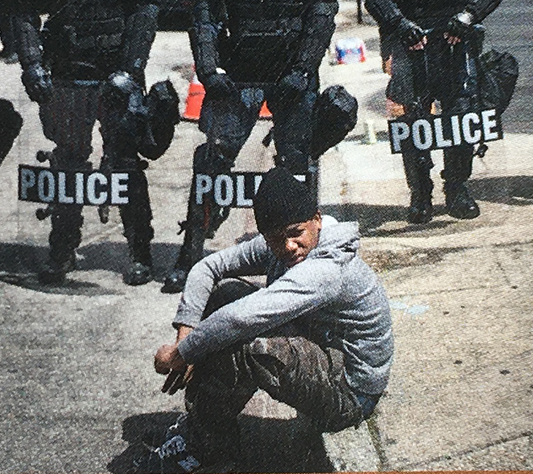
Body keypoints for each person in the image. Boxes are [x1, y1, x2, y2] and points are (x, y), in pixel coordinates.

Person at [140, 166, 393, 473]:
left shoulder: (329, 267)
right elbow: (207, 267)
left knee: (249, 344)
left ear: (316, 219)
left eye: (295, 234)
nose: (288, 246)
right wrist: (186, 335)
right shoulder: (281, 241)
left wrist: (181, 354)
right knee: (226, 294)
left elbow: (240, 319)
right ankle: (204, 435)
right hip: (324, 358)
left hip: (350, 393)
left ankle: (205, 449)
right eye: (275, 239)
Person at [165, 0, 339, 293]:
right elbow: (202, 9)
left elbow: (322, 12)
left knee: (298, 167)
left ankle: (304, 260)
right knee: (212, 161)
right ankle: (191, 254)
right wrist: (208, 69)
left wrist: (303, 69)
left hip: (290, 78)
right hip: (237, 75)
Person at [13, 0, 164, 286]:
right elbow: (23, 8)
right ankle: (62, 250)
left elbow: (144, 17)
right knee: (67, 164)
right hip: (65, 76)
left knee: (122, 162)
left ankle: (139, 251)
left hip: (113, 79)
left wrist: (130, 72)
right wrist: (32, 64)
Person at [364, 0, 504, 223]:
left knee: (461, 117)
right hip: (412, 47)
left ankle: (457, 188)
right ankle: (420, 193)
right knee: (413, 122)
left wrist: (469, 15)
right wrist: (398, 24)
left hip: (457, 44)